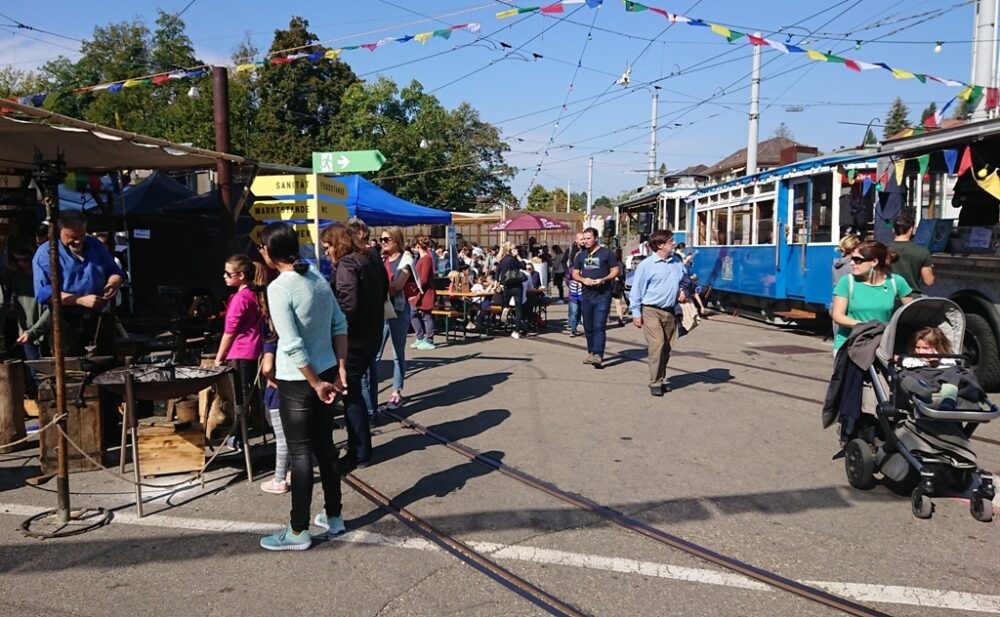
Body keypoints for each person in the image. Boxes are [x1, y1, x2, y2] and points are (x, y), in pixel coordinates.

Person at [258, 222, 348, 551]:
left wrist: (316, 382)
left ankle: (298, 530)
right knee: (325, 446)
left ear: (269, 252)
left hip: (299, 379)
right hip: (325, 368)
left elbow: (293, 345)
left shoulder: (280, 287)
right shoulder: (315, 276)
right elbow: (340, 323)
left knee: (300, 454)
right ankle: (334, 516)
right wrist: (337, 371)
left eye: (262, 248)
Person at [322, 223, 387, 471]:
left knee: (351, 395)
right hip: (371, 335)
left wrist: (336, 331)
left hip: (354, 339)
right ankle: (361, 448)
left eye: (328, 246)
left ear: (338, 243)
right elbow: (381, 294)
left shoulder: (348, 264)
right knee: (355, 392)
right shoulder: (369, 258)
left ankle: (359, 451)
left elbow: (348, 303)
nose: (327, 252)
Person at [33, 210, 124, 356]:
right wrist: (80, 300)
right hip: (65, 321)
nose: (78, 241)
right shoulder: (45, 254)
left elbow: (115, 271)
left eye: (82, 235)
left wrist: (113, 283)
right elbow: (44, 293)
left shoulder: (95, 245)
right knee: (72, 369)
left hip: (98, 318)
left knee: (105, 363)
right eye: (72, 237)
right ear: (58, 231)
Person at [629, 230, 687, 397]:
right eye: (670, 241)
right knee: (657, 345)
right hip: (651, 311)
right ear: (660, 245)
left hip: (670, 312)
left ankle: (661, 379)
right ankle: (654, 381)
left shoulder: (677, 261)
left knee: (667, 348)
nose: (674, 243)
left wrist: (684, 291)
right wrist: (636, 313)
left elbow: (685, 280)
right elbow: (637, 290)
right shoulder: (647, 265)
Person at [214, 255, 266, 438]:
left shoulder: (239, 298)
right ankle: (255, 425)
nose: (224, 277)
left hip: (240, 351)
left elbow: (230, 332)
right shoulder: (253, 294)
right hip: (253, 349)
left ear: (241, 275)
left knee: (239, 397)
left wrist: (219, 358)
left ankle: (238, 434)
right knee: (251, 392)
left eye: (228, 274)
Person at [830, 240, 914, 354]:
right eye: (852, 259)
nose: (852, 263)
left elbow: (912, 313)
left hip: (882, 345)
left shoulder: (896, 282)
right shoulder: (847, 282)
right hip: (849, 345)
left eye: (857, 260)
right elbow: (838, 316)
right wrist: (866, 326)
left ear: (874, 262)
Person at [377, 226, 414, 411]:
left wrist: (375, 287)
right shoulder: (381, 259)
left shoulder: (405, 260)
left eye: (386, 239)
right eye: (381, 239)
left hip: (398, 309)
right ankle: (370, 393)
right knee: (375, 353)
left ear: (396, 241)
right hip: (381, 309)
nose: (382, 242)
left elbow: (397, 286)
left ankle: (396, 392)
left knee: (397, 353)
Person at [572, 227, 620, 368]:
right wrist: (583, 280)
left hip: (602, 296)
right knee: (588, 327)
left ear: (596, 238)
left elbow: (615, 270)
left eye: (588, 238)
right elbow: (575, 273)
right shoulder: (581, 256)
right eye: (584, 239)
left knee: (599, 325)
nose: (585, 241)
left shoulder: (606, 253)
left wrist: (603, 279)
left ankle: (598, 354)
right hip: (586, 296)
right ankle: (591, 352)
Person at [4, 246, 50, 395]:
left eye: (25, 259)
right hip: (26, 331)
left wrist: (35, 330)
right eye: (17, 260)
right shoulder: (14, 277)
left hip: (45, 330)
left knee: (48, 372)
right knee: (34, 372)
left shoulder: (43, 275)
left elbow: (50, 310)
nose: (22, 263)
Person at [258, 323, 289, 495]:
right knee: (292, 436)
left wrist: (273, 378)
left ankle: (279, 479)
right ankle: (291, 472)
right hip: (293, 389)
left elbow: (267, 367)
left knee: (282, 438)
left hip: (277, 392)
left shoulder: (272, 336)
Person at [887, 212, 934, 295]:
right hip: (912, 298)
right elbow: (928, 281)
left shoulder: (883, 250)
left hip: (888, 296)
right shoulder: (922, 252)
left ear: (893, 230)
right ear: (911, 229)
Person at [409, 236, 438, 350]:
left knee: (426, 315)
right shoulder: (423, 258)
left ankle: (429, 340)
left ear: (417, 246)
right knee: (413, 313)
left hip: (425, 291)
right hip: (421, 291)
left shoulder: (426, 258)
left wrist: (415, 287)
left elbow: (424, 278)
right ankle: (420, 337)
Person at [496, 242, 527, 339]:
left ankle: (505, 308)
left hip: (507, 285)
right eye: (514, 248)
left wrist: (497, 283)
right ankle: (516, 331)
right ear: (511, 250)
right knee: (518, 309)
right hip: (517, 285)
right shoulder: (513, 259)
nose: (516, 250)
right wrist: (518, 256)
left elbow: (497, 272)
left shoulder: (503, 260)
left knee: (506, 302)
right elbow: (523, 265)